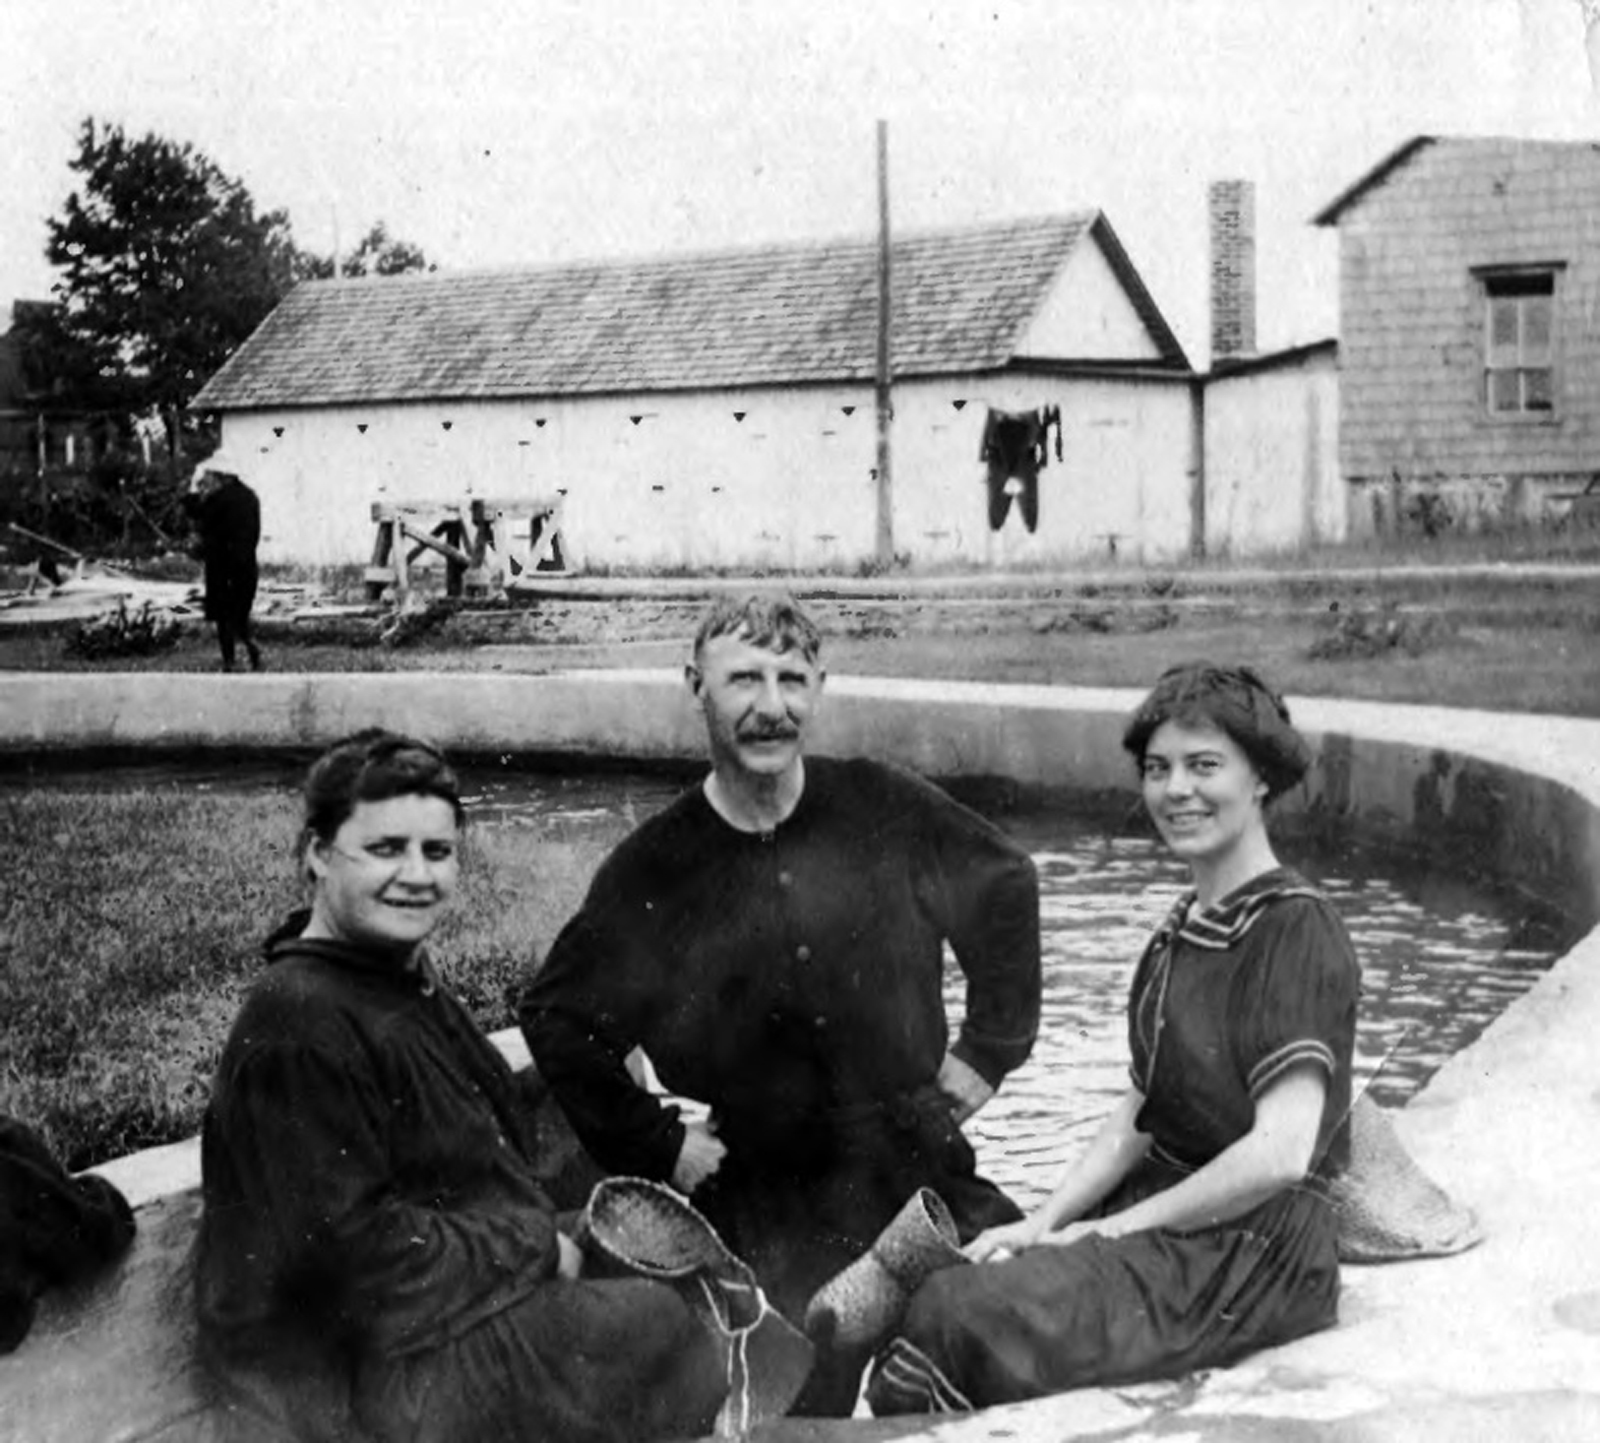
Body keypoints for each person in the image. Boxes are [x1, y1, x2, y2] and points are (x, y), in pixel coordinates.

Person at [519, 591, 1043, 1415]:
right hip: (763, 1188)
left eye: (792, 678)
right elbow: (558, 1017)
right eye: (744, 681)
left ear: (820, 685)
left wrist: (988, 1049)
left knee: (1004, 1347)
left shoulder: (884, 805)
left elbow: (1005, 885)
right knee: (792, 1397)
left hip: (912, 1156)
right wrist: (661, 1141)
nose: (772, 707)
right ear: (695, 685)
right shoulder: (656, 867)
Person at [194, 729, 727, 1443]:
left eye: (436, 851)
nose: (416, 874)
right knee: (660, 1329)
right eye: (385, 849)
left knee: (683, 1275)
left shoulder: (394, 979)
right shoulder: (299, 1025)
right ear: (317, 855)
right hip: (354, 1382)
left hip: (431, 1316)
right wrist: (537, 1249)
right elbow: (347, 1261)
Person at [865, 662, 1361, 1415]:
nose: (1176, 790)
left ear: (1261, 776)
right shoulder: (1179, 927)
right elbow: (1142, 1104)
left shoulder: (1296, 928)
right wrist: (1048, 1220)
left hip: (1252, 1249)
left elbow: (1281, 1154)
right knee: (972, 1258)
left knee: (957, 1315)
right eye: (1158, 769)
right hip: (1179, 1218)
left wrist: (1113, 1231)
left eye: (1204, 766)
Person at [183, 455, 262, 672]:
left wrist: (193, 487)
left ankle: (229, 660)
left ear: (221, 476)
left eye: (211, 476)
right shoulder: (251, 497)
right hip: (246, 564)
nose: (209, 480)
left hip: (221, 565)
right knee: (240, 613)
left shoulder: (217, 499)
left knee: (223, 615)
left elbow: (195, 514)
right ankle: (249, 644)